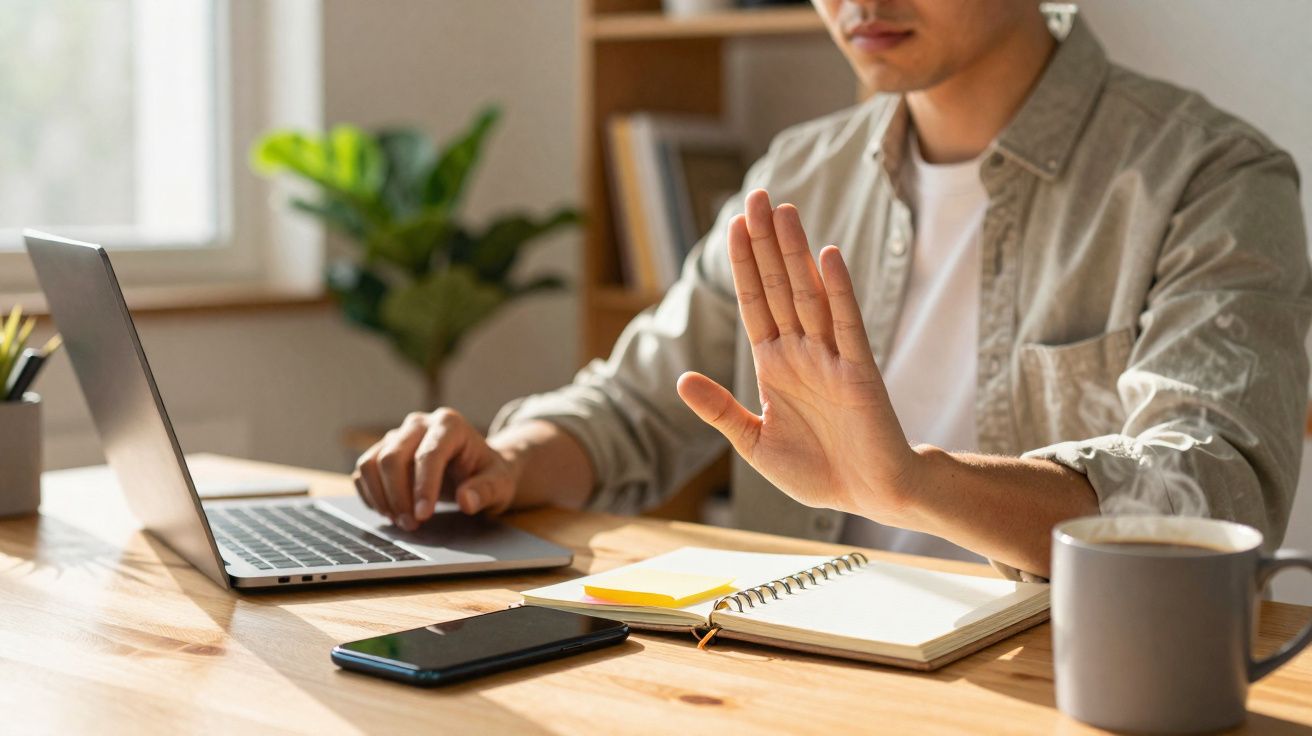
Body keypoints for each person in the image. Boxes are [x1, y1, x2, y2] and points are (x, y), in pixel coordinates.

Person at [352, 0, 1310, 579]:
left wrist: (914, 484)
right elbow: (637, 404)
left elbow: (1218, 490)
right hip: (804, 672)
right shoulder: (799, 175)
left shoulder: (1212, 179)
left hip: (1060, 684)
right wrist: (506, 461)